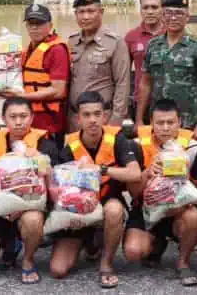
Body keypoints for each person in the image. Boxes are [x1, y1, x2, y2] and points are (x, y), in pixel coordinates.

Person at [50, 90, 141, 289]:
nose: (92, 120)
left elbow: (135, 174)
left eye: (97, 114)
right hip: (77, 210)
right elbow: (59, 190)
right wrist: (67, 214)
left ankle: (106, 263)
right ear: (77, 119)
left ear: (105, 116)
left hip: (107, 200)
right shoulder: (68, 147)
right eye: (86, 115)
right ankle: (89, 243)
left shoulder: (118, 139)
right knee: (58, 270)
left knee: (114, 210)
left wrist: (101, 169)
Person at [0, 96, 59, 283]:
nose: (18, 122)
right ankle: (11, 243)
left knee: (32, 219)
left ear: (32, 118)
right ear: (3, 118)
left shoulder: (46, 145)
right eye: (13, 116)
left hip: (30, 208)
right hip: (0, 209)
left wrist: (41, 163)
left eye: (23, 116)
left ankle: (28, 259)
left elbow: (53, 186)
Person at [123, 99, 197, 287]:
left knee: (192, 216)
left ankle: (183, 262)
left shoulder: (192, 147)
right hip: (145, 208)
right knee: (133, 252)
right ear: (151, 123)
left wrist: (184, 185)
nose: (165, 128)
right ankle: (156, 244)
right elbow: (133, 192)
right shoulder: (136, 145)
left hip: (179, 209)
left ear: (180, 123)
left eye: (170, 122)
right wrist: (148, 173)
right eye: (160, 123)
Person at [136, 0, 197, 140]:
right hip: (159, 122)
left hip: (187, 122)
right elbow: (145, 83)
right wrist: (139, 119)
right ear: (163, 16)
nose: (173, 18)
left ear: (187, 17)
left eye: (179, 13)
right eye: (169, 13)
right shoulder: (153, 45)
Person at [67, 0, 131, 130]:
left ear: (101, 12)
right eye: (81, 12)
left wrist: (116, 119)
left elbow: (122, 83)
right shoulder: (71, 41)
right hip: (74, 118)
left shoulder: (115, 42)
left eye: (91, 11)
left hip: (103, 118)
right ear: (76, 14)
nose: (86, 17)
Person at [19, 4, 69, 146]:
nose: (34, 28)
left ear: (50, 25)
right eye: (30, 23)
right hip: (30, 121)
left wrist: (22, 97)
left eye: (39, 23)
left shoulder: (57, 50)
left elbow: (58, 91)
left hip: (50, 124)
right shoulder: (28, 49)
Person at [124, 0, 165, 120]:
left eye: (154, 7)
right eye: (145, 7)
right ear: (140, 10)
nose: (150, 11)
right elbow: (123, 74)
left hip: (169, 100)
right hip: (141, 101)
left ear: (162, 9)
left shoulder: (172, 34)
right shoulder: (131, 37)